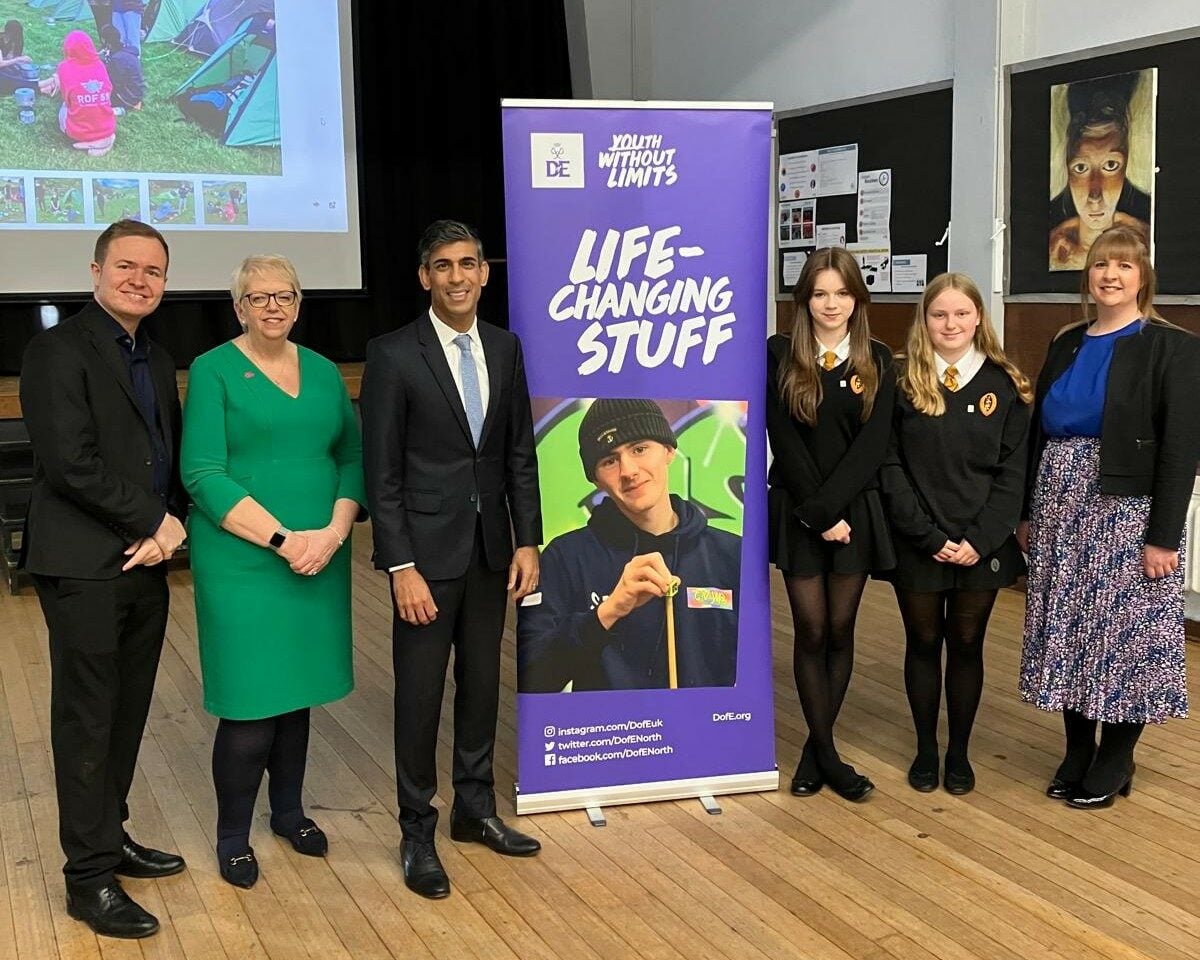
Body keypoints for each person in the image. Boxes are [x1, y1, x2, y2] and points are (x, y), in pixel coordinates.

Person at [359, 219, 543, 900]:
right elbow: (382, 473)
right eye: (444, 266)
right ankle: (416, 831)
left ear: (485, 273)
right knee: (419, 694)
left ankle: (475, 810)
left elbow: (518, 453)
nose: (458, 277)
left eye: (469, 264)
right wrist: (400, 566)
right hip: (425, 560)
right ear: (423, 276)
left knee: (480, 687)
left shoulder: (506, 346)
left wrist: (529, 539)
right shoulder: (392, 353)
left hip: (493, 550)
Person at [19, 220, 188, 940]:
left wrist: (165, 524)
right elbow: (69, 463)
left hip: (144, 564)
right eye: (126, 266)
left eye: (153, 271)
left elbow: (165, 457)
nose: (139, 280)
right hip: (85, 565)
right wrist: (153, 521)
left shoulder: (156, 354)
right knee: (87, 720)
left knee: (126, 712)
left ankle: (108, 837)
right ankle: (87, 880)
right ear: (95, 271)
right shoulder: (56, 349)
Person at [181, 255, 367, 888]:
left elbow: (350, 455)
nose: (272, 307)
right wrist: (286, 540)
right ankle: (233, 833)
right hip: (245, 561)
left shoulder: (321, 371)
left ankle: (289, 812)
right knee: (251, 703)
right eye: (257, 298)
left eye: (283, 296)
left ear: (298, 302)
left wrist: (335, 532)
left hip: (322, 553)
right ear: (239, 307)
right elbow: (203, 472)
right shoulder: (212, 371)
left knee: (296, 695)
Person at [1020, 225, 1200, 808]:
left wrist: (1164, 536)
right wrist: (1027, 511)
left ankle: (1116, 756)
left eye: (1124, 266)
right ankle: (1076, 750)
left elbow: (1179, 448)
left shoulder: (1172, 346)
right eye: (1101, 265)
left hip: (1127, 510)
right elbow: (1035, 432)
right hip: (1059, 502)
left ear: (1143, 277)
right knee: (1070, 628)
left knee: (1125, 637)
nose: (1110, 275)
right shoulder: (1067, 340)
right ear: (1087, 276)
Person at [881, 273, 1032, 795]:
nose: (951, 324)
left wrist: (982, 538)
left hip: (980, 545)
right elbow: (889, 464)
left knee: (967, 644)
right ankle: (926, 749)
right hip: (918, 540)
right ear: (924, 321)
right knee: (923, 643)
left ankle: (959, 754)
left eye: (961, 314)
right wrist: (926, 535)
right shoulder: (899, 380)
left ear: (978, 319)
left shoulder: (1005, 384)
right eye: (939, 314)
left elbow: (1014, 472)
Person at [766, 247, 895, 802]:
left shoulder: (879, 359)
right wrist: (820, 516)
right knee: (811, 631)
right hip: (800, 513)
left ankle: (815, 751)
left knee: (841, 633)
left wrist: (838, 514)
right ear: (804, 300)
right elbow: (784, 438)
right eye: (820, 293)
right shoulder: (778, 353)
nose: (831, 304)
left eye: (841, 293)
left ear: (857, 300)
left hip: (854, 516)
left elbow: (871, 447)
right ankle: (831, 758)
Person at [518, 398, 741, 693]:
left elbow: (750, 674)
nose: (628, 470)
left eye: (639, 449)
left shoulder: (731, 554)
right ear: (595, 479)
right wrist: (607, 612)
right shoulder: (565, 557)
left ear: (669, 451)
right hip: (615, 736)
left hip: (704, 733)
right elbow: (534, 676)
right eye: (609, 460)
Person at [1049, 72, 1151, 270]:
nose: (1095, 195)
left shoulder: (1144, 242)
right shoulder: (1054, 247)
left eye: (1111, 166)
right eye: (1081, 168)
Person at [38, 30, 116, 158]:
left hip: (76, 133)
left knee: (64, 107)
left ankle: (94, 142)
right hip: (107, 128)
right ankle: (101, 141)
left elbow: (67, 100)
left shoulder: (64, 67)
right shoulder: (100, 65)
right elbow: (109, 90)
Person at [99, 23, 143, 114]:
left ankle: (122, 109)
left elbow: (113, 82)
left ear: (105, 41)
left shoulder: (117, 59)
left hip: (128, 97)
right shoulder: (128, 51)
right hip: (138, 92)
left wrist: (105, 64)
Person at [0, 19, 32, 96]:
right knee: (10, 77)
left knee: (20, 72)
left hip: (4, 65)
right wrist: (18, 59)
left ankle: (39, 85)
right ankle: (40, 85)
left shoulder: (14, 41)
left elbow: (11, 57)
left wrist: (21, 60)